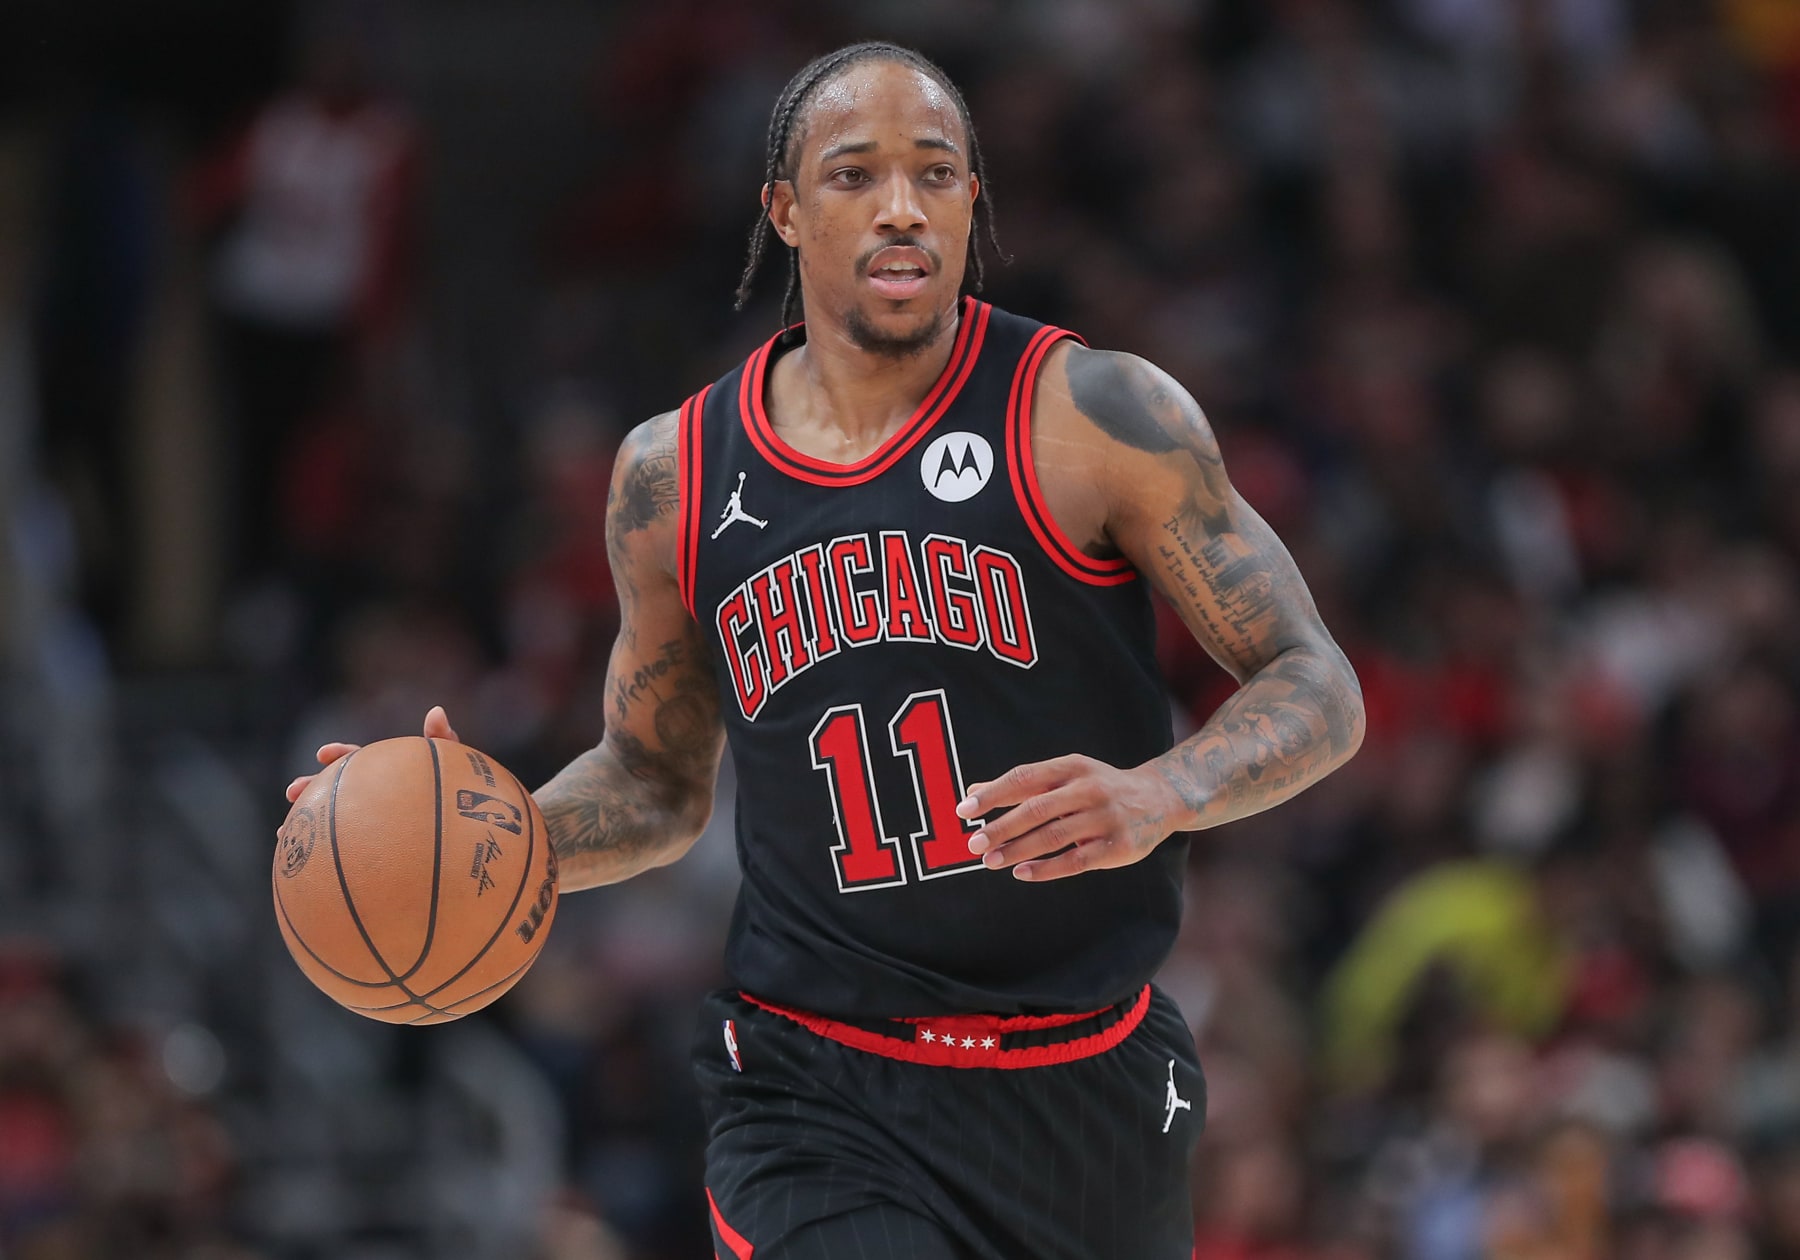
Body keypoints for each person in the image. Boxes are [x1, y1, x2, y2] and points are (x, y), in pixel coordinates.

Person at [286, 41, 1366, 1259]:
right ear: (786, 211)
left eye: (935, 173)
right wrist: (489, 838)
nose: (901, 206)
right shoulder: (675, 475)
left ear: (972, 201)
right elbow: (655, 779)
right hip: (815, 1089)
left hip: (1088, 1081)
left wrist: (1164, 791)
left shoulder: (1097, 415)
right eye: (855, 174)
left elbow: (1317, 683)